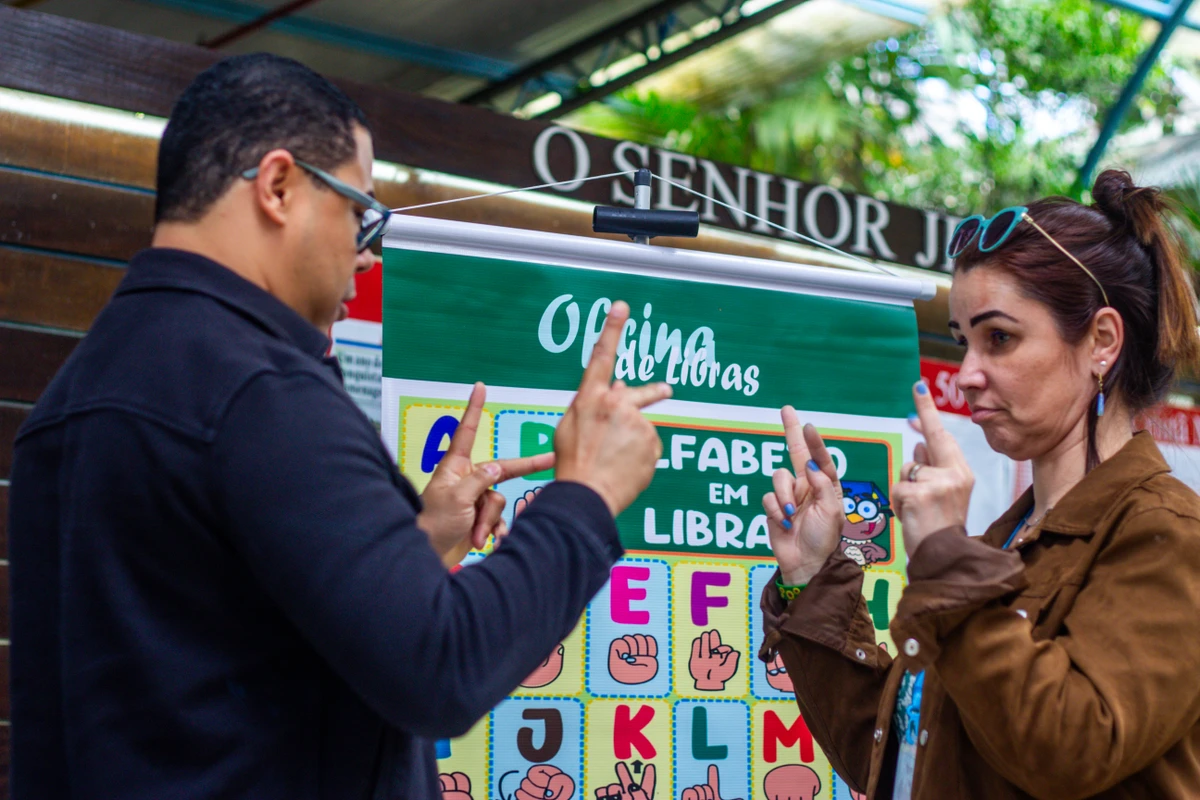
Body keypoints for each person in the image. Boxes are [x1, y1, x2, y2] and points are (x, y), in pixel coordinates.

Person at [7, 54, 670, 798]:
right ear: (279, 186)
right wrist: (584, 494)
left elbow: (210, 661)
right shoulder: (258, 390)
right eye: (360, 209)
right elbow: (441, 669)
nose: (365, 248)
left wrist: (419, 543)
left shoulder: (70, 399)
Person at [758, 170, 1200, 799]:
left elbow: (1069, 748)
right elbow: (897, 761)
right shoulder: (1002, 543)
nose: (966, 374)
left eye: (1000, 338)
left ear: (1102, 340)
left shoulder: (1170, 533)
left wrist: (943, 557)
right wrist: (815, 576)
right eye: (965, 342)